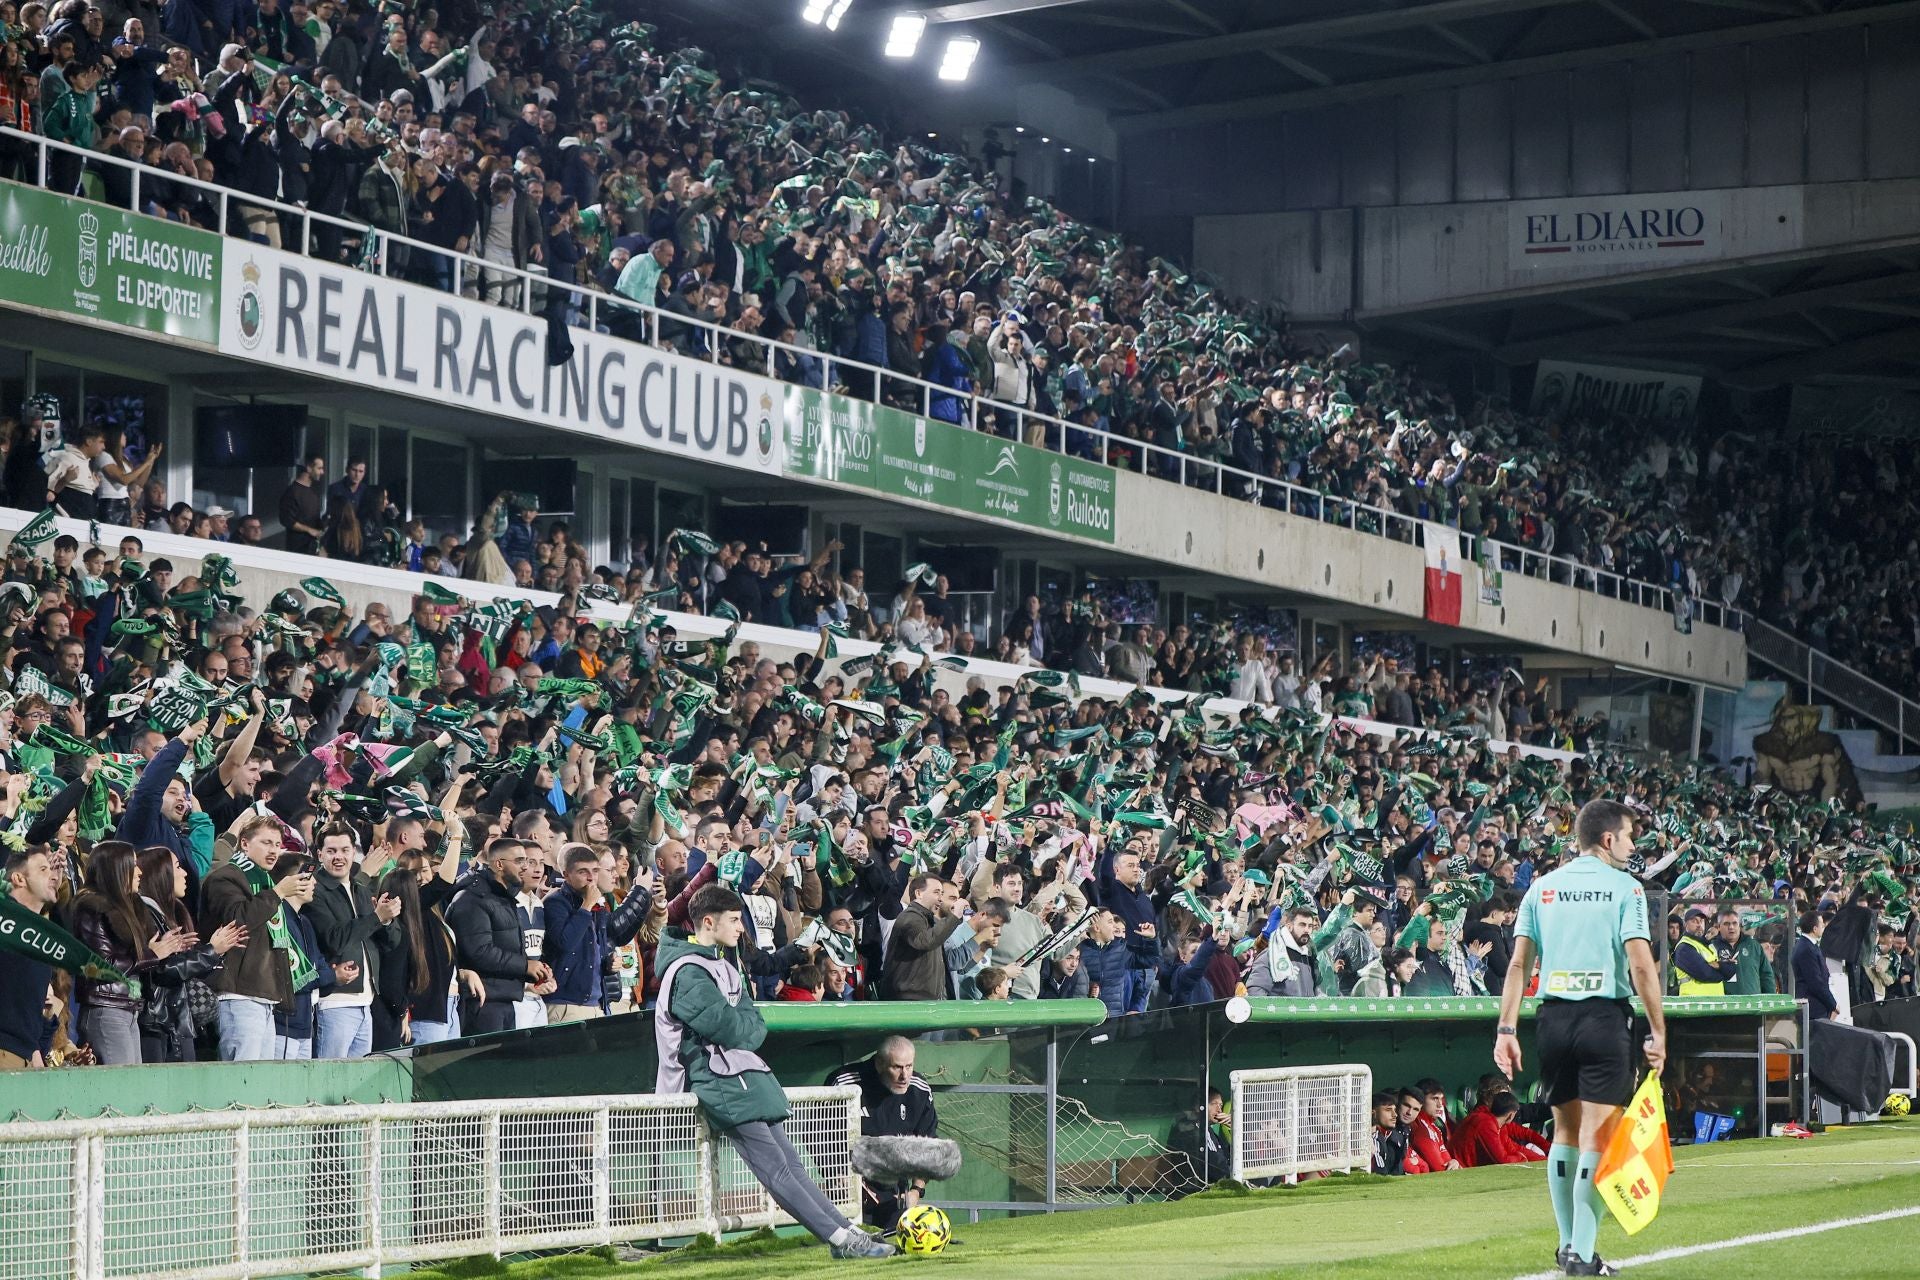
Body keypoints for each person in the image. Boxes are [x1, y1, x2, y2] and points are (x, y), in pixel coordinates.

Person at [655, 883, 896, 1258]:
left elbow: (752, 1022)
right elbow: (735, 1028)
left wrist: (746, 1029)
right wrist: (746, 1029)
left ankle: (847, 1232)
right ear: (707, 922)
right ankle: (842, 1241)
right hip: (714, 1079)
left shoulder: (719, 963)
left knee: (792, 1167)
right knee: (779, 1172)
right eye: (734, 920)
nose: (740, 928)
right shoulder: (687, 971)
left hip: (741, 1075)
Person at [1496, 798, 1667, 1278]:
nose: (1633, 846)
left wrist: (1506, 1030)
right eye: (1630, 836)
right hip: (1603, 1020)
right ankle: (1585, 1258)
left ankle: (1569, 1245)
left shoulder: (1542, 889)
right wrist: (1658, 1030)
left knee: (1565, 1136)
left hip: (1552, 1020)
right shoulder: (1626, 889)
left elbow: (1518, 964)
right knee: (1599, 1138)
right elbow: (1639, 964)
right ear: (1608, 839)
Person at [201, 814, 304, 1062]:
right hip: (238, 994)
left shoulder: (266, 881)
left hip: (264, 995)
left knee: (260, 1082)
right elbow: (237, 919)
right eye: (266, 843)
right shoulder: (225, 877)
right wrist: (278, 893)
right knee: (241, 1078)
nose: (273, 851)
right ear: (245, 844)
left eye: (278, 845)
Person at [826, 1035, 939, 1229]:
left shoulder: (919, 1090)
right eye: (897, 1067)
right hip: (848, 1190)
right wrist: (838, 1174)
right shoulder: (844, 1084)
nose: (905, 1076)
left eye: (909, 1066)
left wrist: (916, 1191)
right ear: (879, 1064)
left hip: (894, 1194)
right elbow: (821, 1136)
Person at [447, 837, 553, 1035]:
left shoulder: (503, 897)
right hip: (482, 1002)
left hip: (503, 998)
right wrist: (525, 965)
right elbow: (479, 951)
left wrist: (534, 969)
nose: (526, 867)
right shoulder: (473, 899)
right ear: (498, 864)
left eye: (528, 861)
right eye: (520, 861)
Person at [1, 847, 60, 1070]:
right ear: (18, 878)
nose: (53, 875)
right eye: (43, 869)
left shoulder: (36, 937)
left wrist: (34, 1047)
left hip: (24, 1055)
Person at [1670, 907, 1735, 996]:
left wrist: (1719, 965)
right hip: (1695, 1004)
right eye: (1694, 921)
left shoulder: (1709, 945)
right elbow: (1705, 974)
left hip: (1715, 1002)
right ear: (1685, 925)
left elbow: (1731, 970)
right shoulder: (1684, 947)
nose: (1699, 924)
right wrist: (1722, 973)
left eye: (1701, 921)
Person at [1793, 910, 1839, 1021]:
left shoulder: (1807, 945)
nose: (1824, 926)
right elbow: (1816, 983)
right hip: (1814, 1009)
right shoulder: (1806, 949)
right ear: (1814, 929)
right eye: (1822, 924)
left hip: (1817, 1007)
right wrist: (1833, 1004)